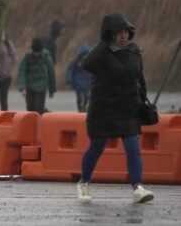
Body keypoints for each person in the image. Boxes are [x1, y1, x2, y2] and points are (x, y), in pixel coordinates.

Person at [76, 14, 154, 203]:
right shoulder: (101, 53)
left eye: (126, 32)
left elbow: (139, 78)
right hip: (103, 110)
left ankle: (138, 187)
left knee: (133, 147)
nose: (124, 36)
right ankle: (84, 183)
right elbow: (87, 65)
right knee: (96, 148)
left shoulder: (134, 51)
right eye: (119, 32)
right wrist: (103, 44)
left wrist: (143, 100)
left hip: (128, 109)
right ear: (109, 34)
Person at [16, 38, 55, 114]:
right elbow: (22, 72)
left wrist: (52, 90)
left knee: (38, 108)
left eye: (38, 52)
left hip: (41, 88)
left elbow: (51, 73)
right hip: (30, 87)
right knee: (30, 108)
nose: (36, 54)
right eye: (35, 52)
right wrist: (22, 87)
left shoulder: (46, 57)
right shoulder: (27, 58)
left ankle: (41, 121)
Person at [0, 34, 17, 110]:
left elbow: (14, 57)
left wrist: (9, 69)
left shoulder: (7, 44)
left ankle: (5, 117)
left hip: (5, 75)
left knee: (3, 99)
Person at [66, 43, 93, 113]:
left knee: (87, 97)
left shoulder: (91, 61)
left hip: (87, 83)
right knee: (79, 97)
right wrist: (69, 78)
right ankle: (80, 108)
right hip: (78, 83)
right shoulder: (76, 61)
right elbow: (70, 69)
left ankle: (84, 107)